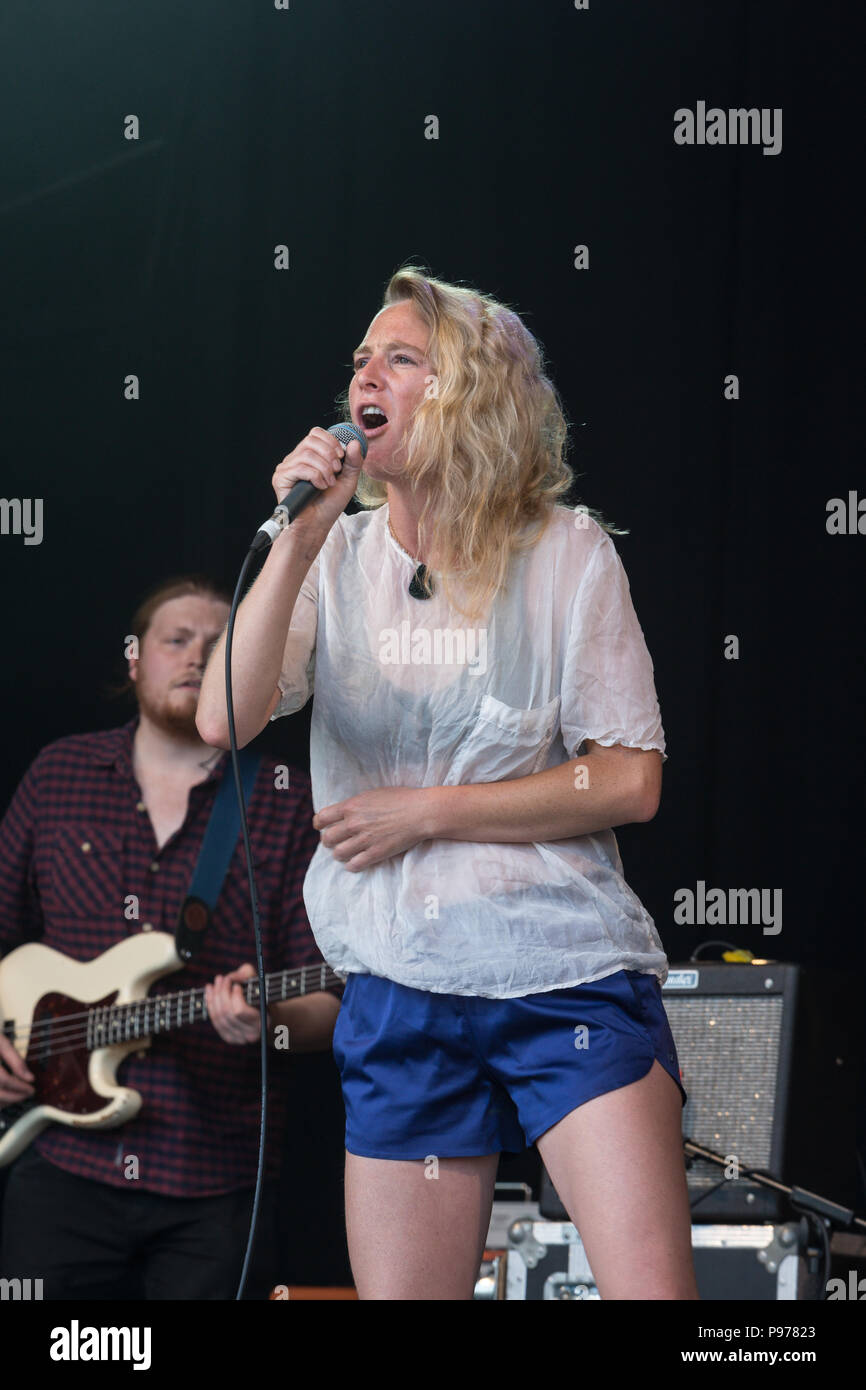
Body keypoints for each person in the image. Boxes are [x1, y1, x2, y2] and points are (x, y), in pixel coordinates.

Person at [196, 265, 699, 1301]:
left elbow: (627, 778)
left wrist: (429, 813)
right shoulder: (331, 557)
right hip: (398, 988)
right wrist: (296, 539)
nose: (361, 376)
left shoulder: (568, 555)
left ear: (472, 391)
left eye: (399, 357)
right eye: (357, 360)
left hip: (561, 974)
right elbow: (223, 718)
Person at [0, 575, 341, 1299]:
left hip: (214, 1178)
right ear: (134, 660)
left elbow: (334, 1002)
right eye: (175, 640)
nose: (197, 657)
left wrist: (268, 1020)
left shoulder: (285, 798)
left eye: (220, 645)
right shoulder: (60, 774)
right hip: (57, 1163)